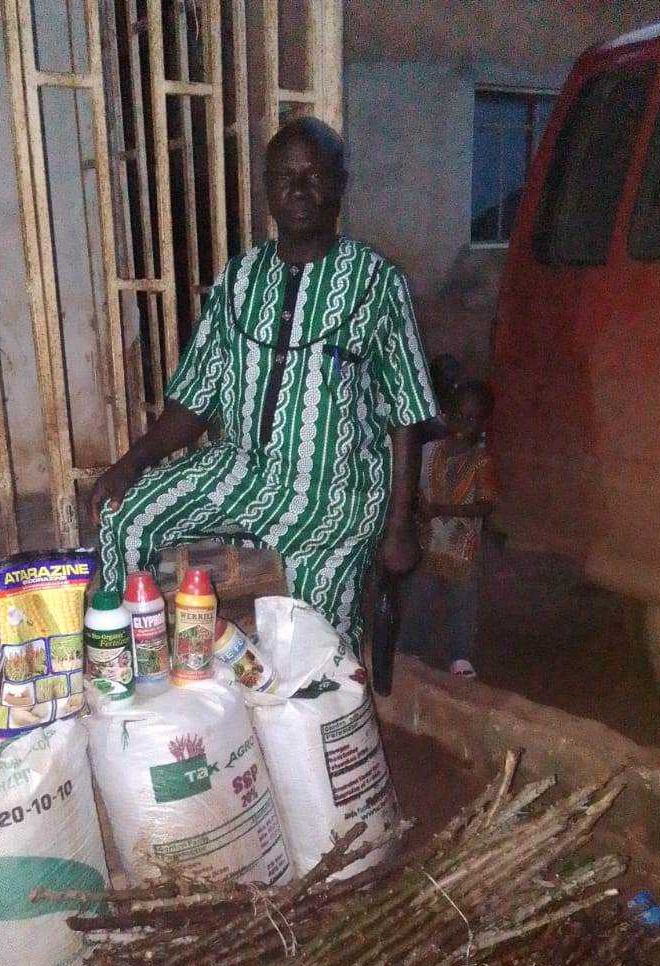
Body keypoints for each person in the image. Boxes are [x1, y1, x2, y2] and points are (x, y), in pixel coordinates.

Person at [90, 116, 437, 652]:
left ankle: (317, 718)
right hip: (240, 469)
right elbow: (194, 400)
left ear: (339, 185)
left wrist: (399, 525)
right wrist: (131, 462)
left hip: (335, 494)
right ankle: (134, 671)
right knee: (125, 519)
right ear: (267, 191)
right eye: (284, 178)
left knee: (315, 632)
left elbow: (407, 411)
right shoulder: (238, 279)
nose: (298, 191)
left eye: (313, 177)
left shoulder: (377, 282)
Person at [396, 379, 495, 677]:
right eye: (460, 415)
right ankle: (411, 649)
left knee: (462, 604)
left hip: (463, 550)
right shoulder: (428, 452)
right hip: (427, 545)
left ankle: (460, 656)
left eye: (473, 418)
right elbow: (411, 487)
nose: (465, 423)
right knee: (418, 598)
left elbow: (486, 505)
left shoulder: (482, 462)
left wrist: (440, 509)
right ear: (446, 414)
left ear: (482, 423)